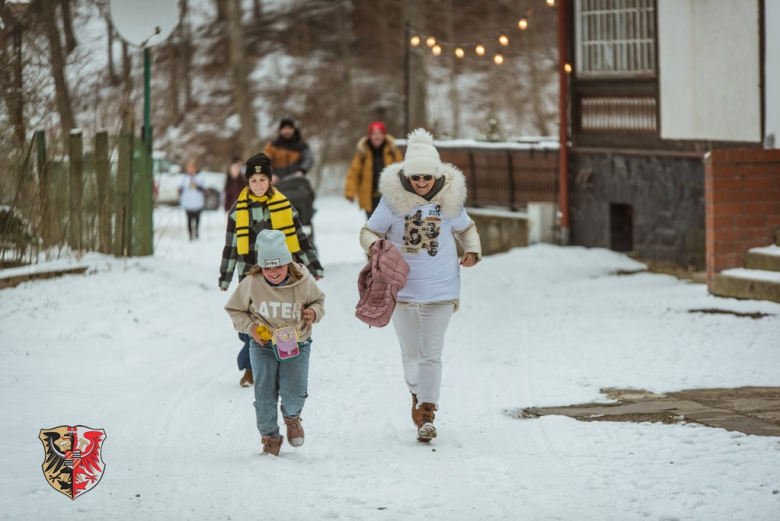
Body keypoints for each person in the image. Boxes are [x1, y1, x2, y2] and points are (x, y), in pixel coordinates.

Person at [359, 128, 482, 443]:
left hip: (441, 288)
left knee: (431, 352)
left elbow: (467, 228)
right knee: (411, 354)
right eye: (417, 178)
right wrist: (375, 248)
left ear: (437, 175)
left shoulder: (448, 200)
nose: (423, 182)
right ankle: (416, 391)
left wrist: (471, 250)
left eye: (428, 177)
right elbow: (369, 231)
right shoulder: (393, 202)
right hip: (400, 289)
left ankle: (427, 410)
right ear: (406, 176)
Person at [219, 153, 324, 388]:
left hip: (281, 273)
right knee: (250, 321)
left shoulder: (285, 205)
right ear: (248, 182)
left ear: (270, 181)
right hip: (250, 273)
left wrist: (312, 264)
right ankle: (250, 366)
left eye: (262, 180)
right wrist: (225, 275)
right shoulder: (238, 210)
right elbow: (231, 245)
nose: (258, 185)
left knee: (279, 317)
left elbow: (299, 237)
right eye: (253, 181)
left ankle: (279, 363)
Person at [224, 229, 325, 456]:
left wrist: (313, 312)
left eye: (278, 266)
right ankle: (270, 437)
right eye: (267, 267)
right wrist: (250, 327)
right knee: (264, 395)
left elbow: (318, 300)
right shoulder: (252, 282)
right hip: (263, 347)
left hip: (297, 344)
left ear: (288, 262)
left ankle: (292, 418)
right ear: (261, 266)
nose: (273, 272)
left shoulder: (303, 279)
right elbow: (234, 309)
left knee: (295, 392)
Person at [344, 122, 404, 218]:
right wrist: (350, 192)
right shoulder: (363, 152)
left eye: (380, 133)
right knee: (372, 225)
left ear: (384, 135)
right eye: (374, 134)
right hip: (369, 196)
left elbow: (401, 170)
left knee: (389, 224)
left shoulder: (392, 150)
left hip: (388, 195)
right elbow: (353, 173)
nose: (377, 137)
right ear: (370, 136)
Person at [263, 118, 314, 184]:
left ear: (293, 130)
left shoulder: (302, 145)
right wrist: (270, 175)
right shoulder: (272, 145)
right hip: (277, 183)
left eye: (289, 128)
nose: (287, 131)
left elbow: (309, 159)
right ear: (280, 130)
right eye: (284, 129)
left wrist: (301, 171)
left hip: (297, 181)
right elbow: (264, 161)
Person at [178, 160, 206, 240]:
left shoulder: (200, 176)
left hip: (197, 202)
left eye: (193, 168)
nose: (191, 170)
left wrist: (198, 187)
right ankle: (190, 234)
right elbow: (180, 187)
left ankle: (196, 231)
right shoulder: (183, 177)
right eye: (189, 168)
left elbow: (204, 188)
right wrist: (179, 190)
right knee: (189, 219)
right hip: (187, 202)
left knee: (197, 219)